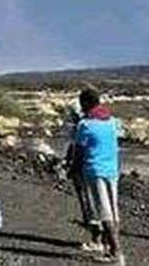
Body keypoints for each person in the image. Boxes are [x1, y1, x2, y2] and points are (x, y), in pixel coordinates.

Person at [73, 87, 124, 265]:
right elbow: (116, 147)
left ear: (86, 103)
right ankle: (107, 246)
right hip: (112, 170)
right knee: (112, 210)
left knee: (103, 212)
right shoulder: (111, 121)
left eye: (82, 103)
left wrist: (73, 171)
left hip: (94, 171)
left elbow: (78, 153)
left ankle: (116, 253)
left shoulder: (84, 125)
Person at [63, 98, 103, 252]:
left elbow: (77, 150)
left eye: (73, 114)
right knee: (95, 205)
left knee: (89, 205)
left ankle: (97, 240)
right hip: (95, 169)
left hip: (85, 171)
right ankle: (101, 239)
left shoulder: (83, 127)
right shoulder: (94, 124)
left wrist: (72, 168)